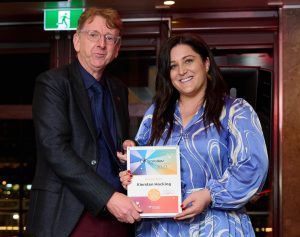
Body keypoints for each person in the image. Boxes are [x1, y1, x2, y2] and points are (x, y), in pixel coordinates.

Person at [118, 33, 269, 236]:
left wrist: (210, 195)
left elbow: (253, 168)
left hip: (218, 228)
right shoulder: (156, 114)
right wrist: (130, 171)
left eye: (188, 61)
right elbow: (141, 163)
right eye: (173, 66)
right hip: (160, 229)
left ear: (206, 63)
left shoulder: (236, 111)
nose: (181, 71)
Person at [26, 7, 141, 237]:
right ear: (77, 41)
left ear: (117, 49)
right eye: (93, 35)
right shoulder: (53, 83)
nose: (101, 44)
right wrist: (108, 197)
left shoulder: (118, 89)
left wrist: (129, 152)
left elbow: (113, 148)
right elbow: (55, 149)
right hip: (66, 213)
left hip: (115, 216)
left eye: (109, 38)